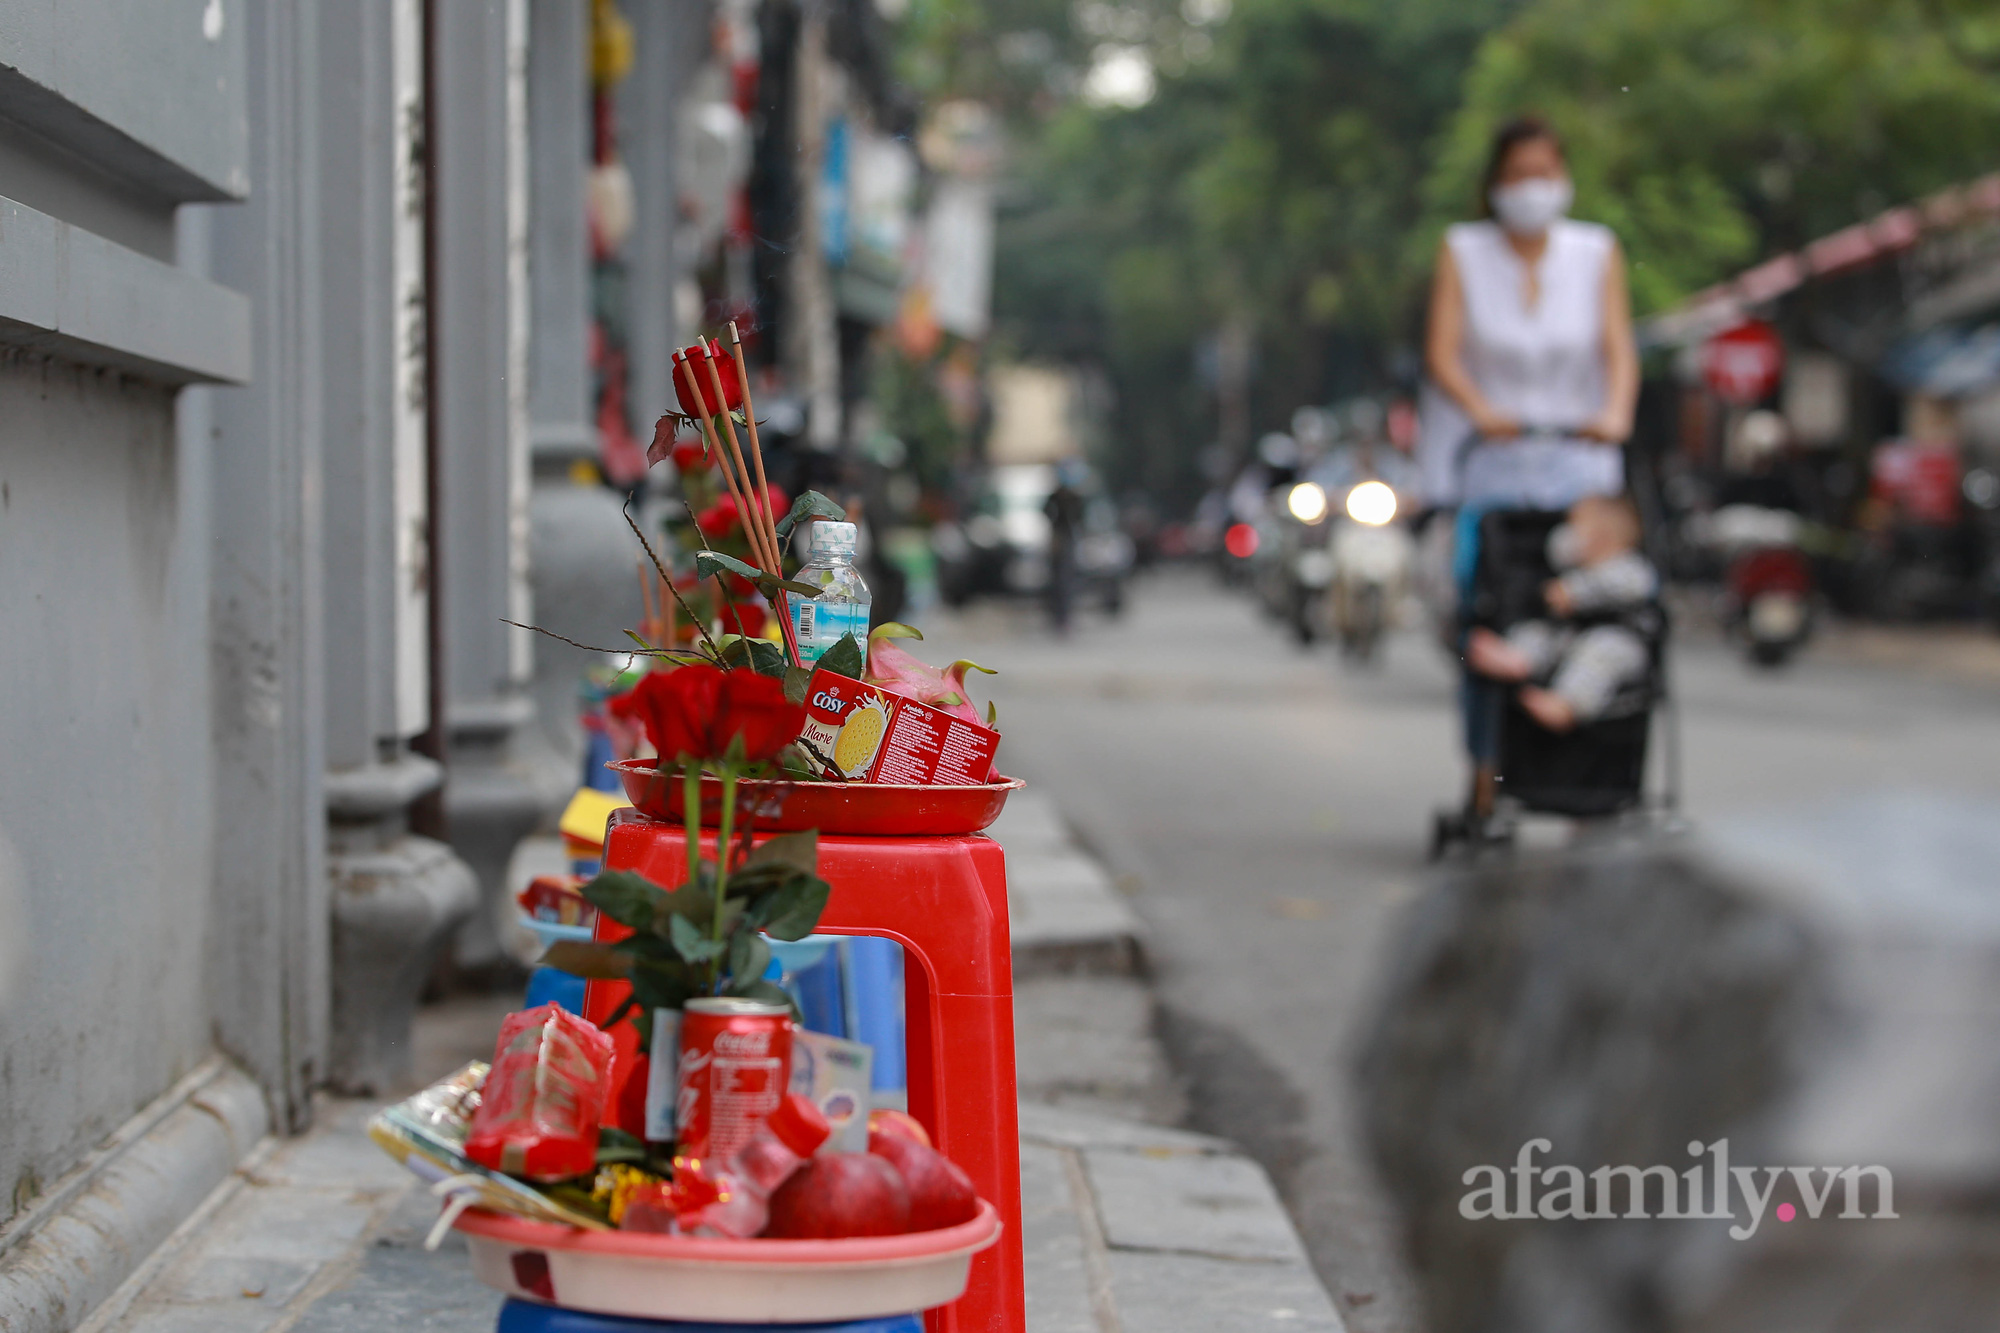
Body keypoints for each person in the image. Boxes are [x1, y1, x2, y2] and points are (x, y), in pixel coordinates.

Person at [1423, 115, 1641, 818]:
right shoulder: (1464, 251)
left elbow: (1618, 348)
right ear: (1494, 184)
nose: (1532, 190)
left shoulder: (1595, 251)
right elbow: (1443, 352)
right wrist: (1480, 408)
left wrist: (1616, 415)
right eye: (1518, 176)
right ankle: (1489, 768)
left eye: (1544, 174)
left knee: (1607, 614)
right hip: (1495, 468)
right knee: (1484, 616)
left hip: (1582, 474)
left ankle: (1596, 768)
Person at [1465, 494, 1656, 732]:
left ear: (1601, 537)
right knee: (1541, 635)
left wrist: (1576, 593)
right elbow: (1557, 550)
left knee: (1597, 657)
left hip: (1619, 641)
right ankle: (1517, 657)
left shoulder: (1629, 567)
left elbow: (1626, 586)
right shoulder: (1576, 567)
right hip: (1572, 634)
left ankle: (1568, 705)